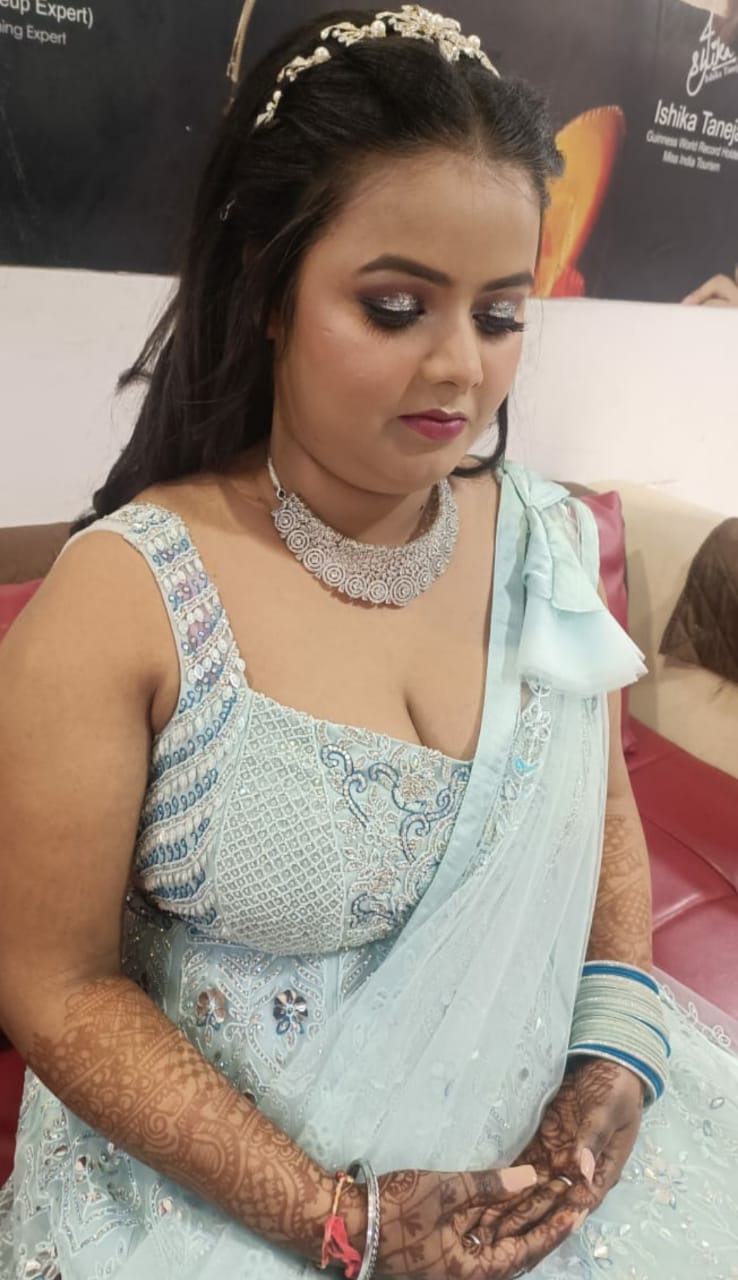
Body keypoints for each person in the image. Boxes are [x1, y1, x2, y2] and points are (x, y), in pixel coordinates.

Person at [0, 7, 736, 1279]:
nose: (459, 369)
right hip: (219, 1204)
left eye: (500, 314)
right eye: (396, 306)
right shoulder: (128, 595)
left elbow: (601, 810)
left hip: (540, 1170)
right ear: (267, 287)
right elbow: (53, 984)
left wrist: (617, 1048)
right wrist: (342, 1219)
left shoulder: (547, 545)